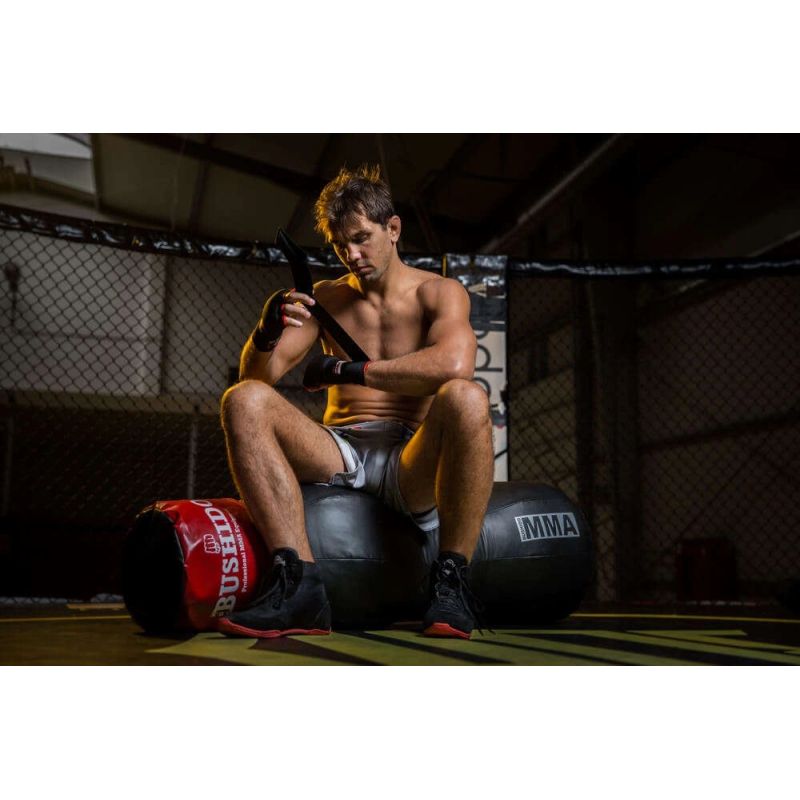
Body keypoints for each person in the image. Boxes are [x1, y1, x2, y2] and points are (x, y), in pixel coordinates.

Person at [217, 164, 494, 640]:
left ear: (393, 229)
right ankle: (299, 585)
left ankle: (451, 580)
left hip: (411, 461)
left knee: (467, 397)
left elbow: (454, 365)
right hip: (341, 448)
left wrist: (348, 371)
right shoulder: (327, 297)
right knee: (242, 400)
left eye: (362, 238)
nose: (352, 255)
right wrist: (265, 332)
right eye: (341, 245)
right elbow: (257, 378)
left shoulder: (439, 292)